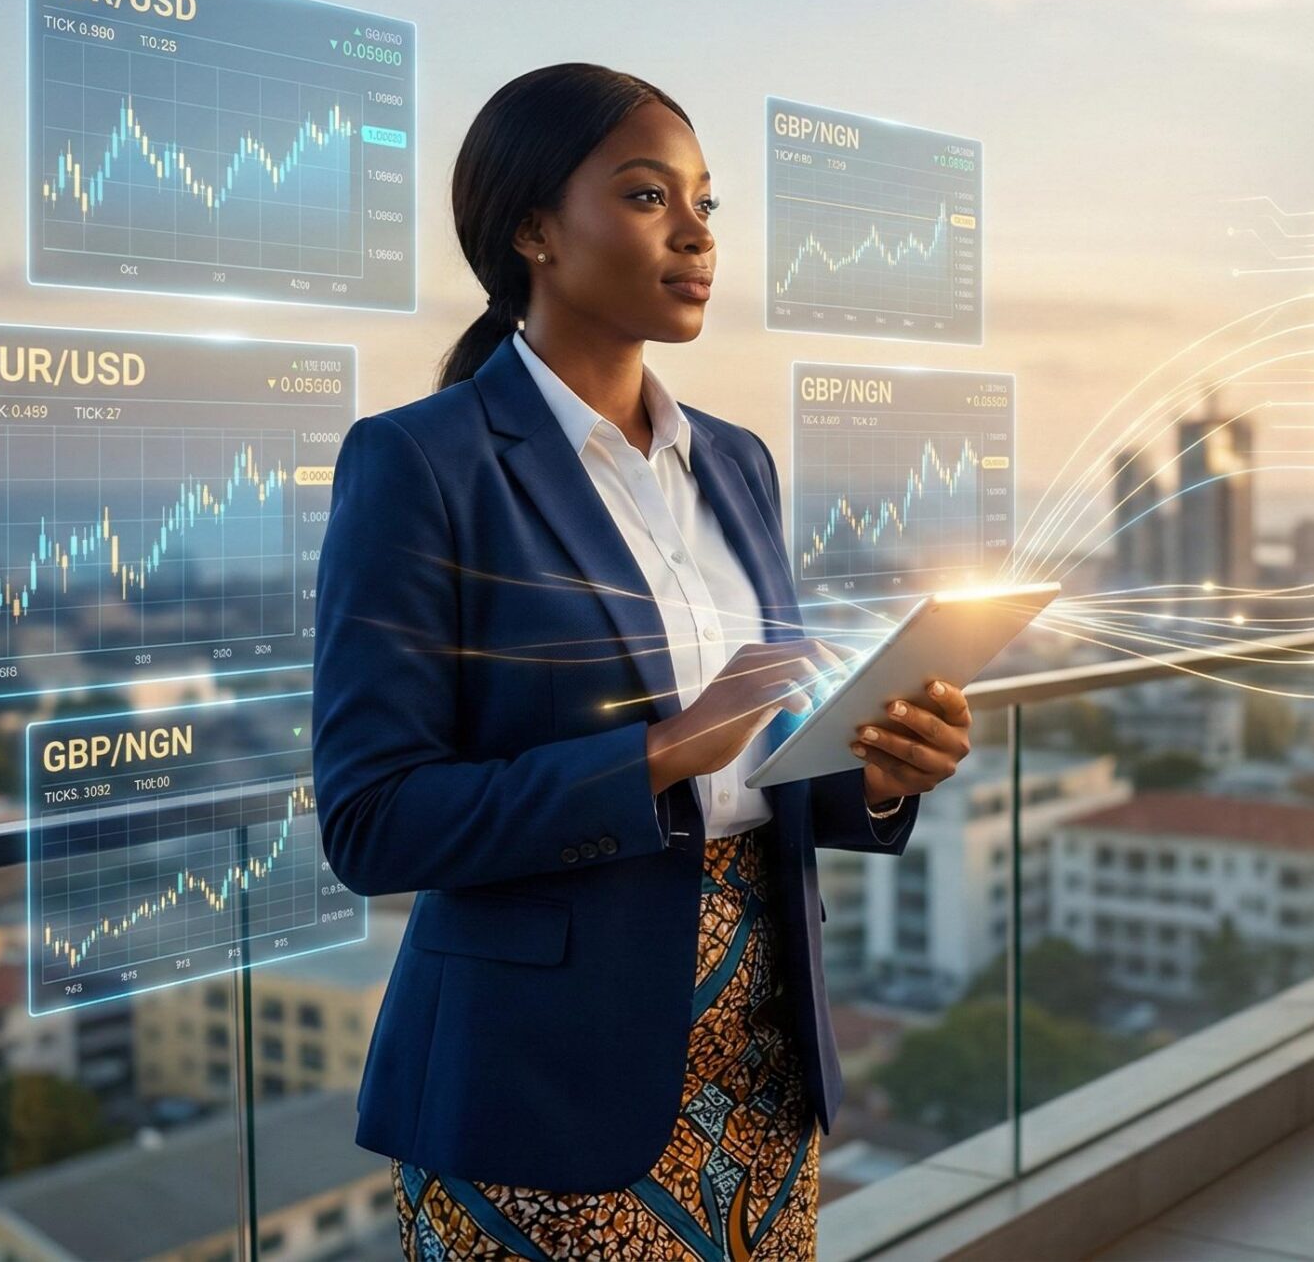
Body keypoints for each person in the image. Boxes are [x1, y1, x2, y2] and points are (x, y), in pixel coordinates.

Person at [310, 63, 970, 1259]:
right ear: (531, 231)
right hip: (543, 1081)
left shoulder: (737, 463)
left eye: (705, 205)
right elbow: (372, 821)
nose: (695, 235)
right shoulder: (422, 462)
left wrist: (872, 773)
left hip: (760, 1062)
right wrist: (658, 749)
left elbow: (751, 763)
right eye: (647, 196)